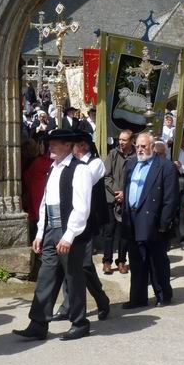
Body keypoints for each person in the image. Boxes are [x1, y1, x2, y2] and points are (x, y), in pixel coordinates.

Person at [13, 129, 93, 342]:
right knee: (46, 276)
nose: (51, 147)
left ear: (67, 146)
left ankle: (79, 322)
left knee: (73, 277)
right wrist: (40, 232)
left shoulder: (80, 170)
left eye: (55, 143)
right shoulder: (53, 168)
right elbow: (45, 203)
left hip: (68, 230)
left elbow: (82, 207)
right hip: (50, 229)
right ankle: (38, 323)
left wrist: (69, 235)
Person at [52, 133, 110, 323]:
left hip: (86, 223)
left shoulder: (94, 164)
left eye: (73, 145)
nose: (70, 149)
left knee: (84, 266)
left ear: (83, 146)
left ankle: (101, 299)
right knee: (67, 264)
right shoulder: (65, 165)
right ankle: (68, 305)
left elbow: (81, 184)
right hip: (66, 222)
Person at [121, 132, 179, 309]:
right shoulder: (131, 164)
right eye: (137, 146)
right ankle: (138, 298)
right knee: (137, 260)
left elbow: (170, 198)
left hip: (153, 218)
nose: (140, 150)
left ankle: (163, 294)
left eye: (144, 146)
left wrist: (164, 223)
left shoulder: (165, 166)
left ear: (153, 147)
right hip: (132, 216)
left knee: (157, 260)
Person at [102, 129, 133, 275]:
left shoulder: (136, 156)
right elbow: (107, 176)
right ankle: (107, 261)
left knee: (124, 233)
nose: (121, 142)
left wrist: (125, 193)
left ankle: (121, 261)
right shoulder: (113, 154)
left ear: (131, 141)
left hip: (127, 200)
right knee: (109, 232)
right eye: (120, 139)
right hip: (111, 198)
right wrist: (117, 192)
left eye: (124, 140)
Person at [22, 136, 53, 242]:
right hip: (39, 193)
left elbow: (27, 176)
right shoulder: (46, 161)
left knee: (38, 219)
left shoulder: (40, 161)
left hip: (37, 193)